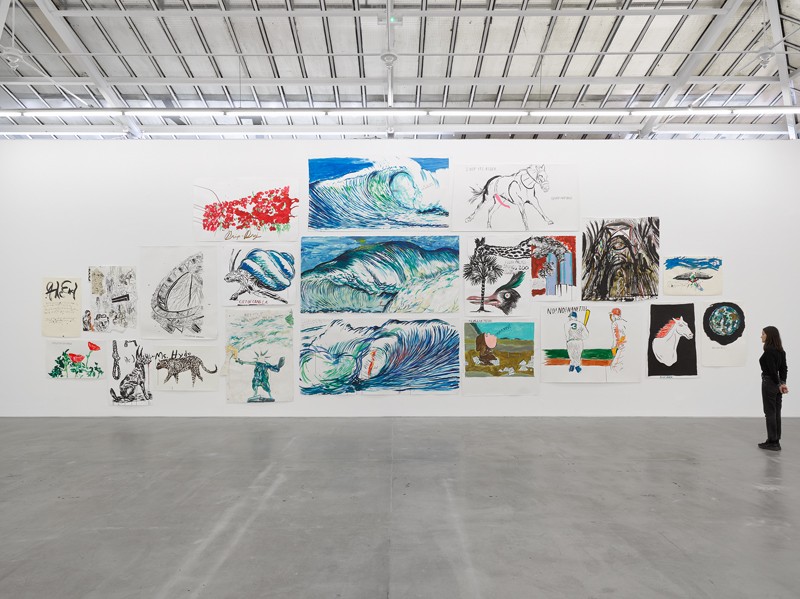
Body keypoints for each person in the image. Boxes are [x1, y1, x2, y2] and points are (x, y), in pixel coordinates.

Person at [758, 326, 788, 451]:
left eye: (763, 334)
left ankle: (773, 442)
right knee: (776, 412)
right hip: (777, 384)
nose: (761, 336)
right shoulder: (781, 351)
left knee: (769, 412)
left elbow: (771, 371)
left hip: (769, 383)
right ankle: (775, 440)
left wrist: (778, 384)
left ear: (769, 336)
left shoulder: (769, 351)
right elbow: (784, 369)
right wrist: (782, 383)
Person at [609, 308, 627, 372]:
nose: (611, 317)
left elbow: (616, 337)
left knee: (614, 367)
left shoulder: (615, 323)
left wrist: (613, 347)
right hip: (628, 346)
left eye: (611, 315)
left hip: (622, 347)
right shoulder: (625, 322)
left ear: (614, 315)